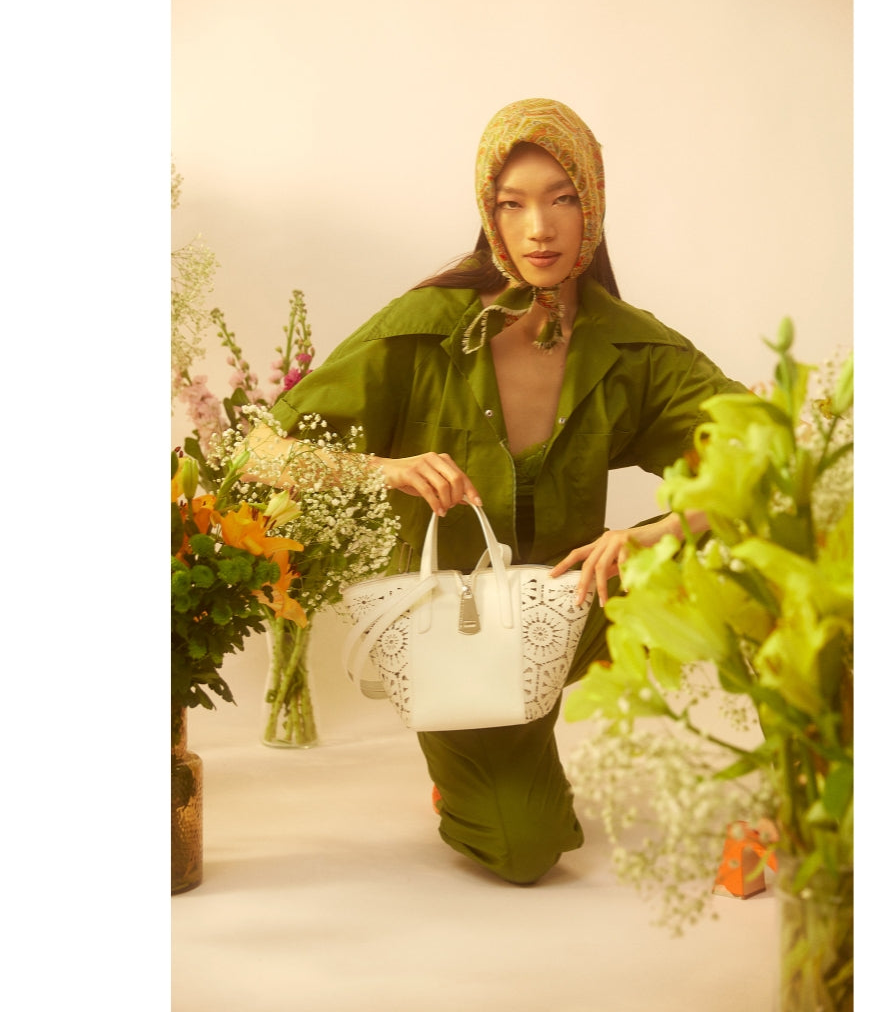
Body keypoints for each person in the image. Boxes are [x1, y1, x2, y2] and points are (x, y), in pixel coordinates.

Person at [253, 98, 747, 885]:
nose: (539, 229)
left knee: (769, 541)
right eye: (511, 205)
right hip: (460, 649)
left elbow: (766, 457)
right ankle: (475, 770)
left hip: (566, 611)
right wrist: (385, 468)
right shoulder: (424, 327)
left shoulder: (632, 346)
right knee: (525, 853)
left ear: (594, 203)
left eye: (562, 198)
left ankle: (799, 778)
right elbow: (255, 451)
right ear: (488, 211)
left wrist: (648, 537)